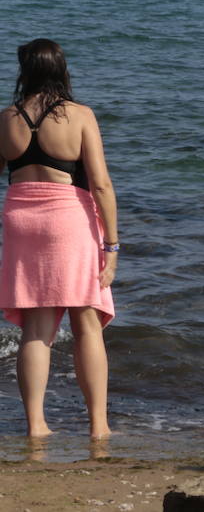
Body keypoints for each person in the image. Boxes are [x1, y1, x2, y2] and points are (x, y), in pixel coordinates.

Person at [0, 39, 119, 439]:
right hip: (68, 218)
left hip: (20, 218)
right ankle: (98, 426)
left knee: (35, 327)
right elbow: (100, 184)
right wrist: (113, 246)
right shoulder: (80, 115)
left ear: (26, 70)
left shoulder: (6, 119)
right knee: (87, 320)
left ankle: (36, 426)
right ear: (60, 69)